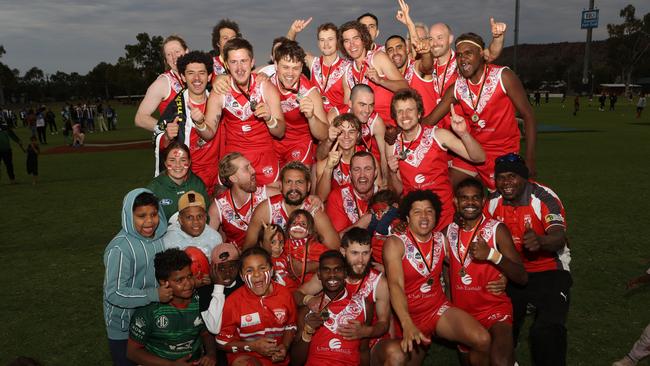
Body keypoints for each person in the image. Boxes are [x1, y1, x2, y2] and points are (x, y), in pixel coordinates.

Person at [377, 189, 490, 366]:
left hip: (436, 310)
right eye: (417, 212)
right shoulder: (396, 243)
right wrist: (407, 323)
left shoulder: (441, 240)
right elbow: (395, 285)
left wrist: (499, 275)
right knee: (397, 360)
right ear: (407, 218)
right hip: (405, 317)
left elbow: (467, 265)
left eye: (429, 211)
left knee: (482, 339)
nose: (424, 216)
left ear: (436, 216)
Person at [423, 32, 536, 189]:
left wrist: (530, 159)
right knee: (445, 187)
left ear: (482, 53)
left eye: (468, 53)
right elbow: (429, 121)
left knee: (504, 201)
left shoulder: (503, 76)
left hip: (503, 153)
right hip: (472, 151)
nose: (462, 59)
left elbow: (528, 115)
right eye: (459, 55)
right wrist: (398, 128)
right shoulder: (457, 87)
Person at [487, 153, 571, 366]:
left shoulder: (543, 197)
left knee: (546, 331)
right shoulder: (492, 201)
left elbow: (559, 238)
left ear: (525, 178)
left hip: (549, 268)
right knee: (501, 328)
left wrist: (541, 241)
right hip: (513, 271)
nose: (506, 183)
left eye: (512, 176)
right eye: (501, 177)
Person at [446, 178, 528, 366]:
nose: (470, 203)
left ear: (483, 201)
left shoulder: (496, 230)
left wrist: (492, 254)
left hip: (494, 309)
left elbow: (522, 277)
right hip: (463, 313)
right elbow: (435, 258)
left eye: (475, 198)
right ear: (455, 202)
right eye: (464, 198)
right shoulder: (448, 231)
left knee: (500, 361)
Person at [387, 88, 485, 230]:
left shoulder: (438, 135)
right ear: (395, 117)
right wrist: (391, 172)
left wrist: (463, 134)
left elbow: (479, 157)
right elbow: (399, 190)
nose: (405, 115)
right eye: (400, 111)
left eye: (410, 110)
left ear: (419, 113)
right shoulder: (392, 145)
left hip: (446, 218)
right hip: (416, 222)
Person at [296, 228, 391, 363]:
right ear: (343, 251)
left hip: (370, 338)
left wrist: (365, 332)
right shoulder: (333, 274)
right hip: (332, 337)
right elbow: (297, 294)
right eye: (354, 253)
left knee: (394, 353)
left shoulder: (379, 283)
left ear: (371, 252)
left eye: (365, 253)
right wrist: (308, 299)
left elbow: (384, 323)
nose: (360, 260)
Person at [204, 38, 286, 186]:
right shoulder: (220, 91)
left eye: (243, 61)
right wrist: (199, 123)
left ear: (252, 62)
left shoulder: (265, 87)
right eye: (234, 62)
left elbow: (280, 132)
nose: (239, 68)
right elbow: (208, 133)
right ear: (227, 65)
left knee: (272, 201)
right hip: (235, 160)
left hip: (264, 157)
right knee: (226, 202)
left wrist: (269, 119)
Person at [103, 189, 170, 366]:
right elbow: (115, 293)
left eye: (154, 214)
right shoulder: (120, 249)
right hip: (124, 327)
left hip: (152, 322)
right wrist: (153, 295)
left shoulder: (161, 239)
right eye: (141, 216)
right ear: (129, 216)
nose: (149, 221)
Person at [126, 248, 217, 366]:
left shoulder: (201, 299)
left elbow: (206, 332)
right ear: (164, 282)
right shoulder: (149, 310)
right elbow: (132, 352)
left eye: (189, 276)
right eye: (179, 280)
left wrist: (211, 354)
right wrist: (170, 364)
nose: (188, 284)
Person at [216, 247, 297, 365]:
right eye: (249, 270)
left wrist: (284, 346)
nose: (257, 274)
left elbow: (291, 326)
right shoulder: (233, 301)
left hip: (278, 360)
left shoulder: (285, 294)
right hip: (247, 356)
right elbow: (221, 343)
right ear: (242, 276)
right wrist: (252, 346)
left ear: (272, 270)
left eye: (262, 268)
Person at [291, 250, 373, 366]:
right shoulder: (308, 309)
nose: (332, 275)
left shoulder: (363, 306)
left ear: (345, 273)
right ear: (319, 274)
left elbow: (363, 350)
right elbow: (295, 362)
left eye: (337, 269)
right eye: (326, 270)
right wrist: (307, 331)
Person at [155, 50, 221, 193]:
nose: (197, 78)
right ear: (183, 77)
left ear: (209, 76)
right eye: (190, 73)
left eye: (202, 73)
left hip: (218, 177)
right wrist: (167, 136)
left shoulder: (219, 100)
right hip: (190, 179)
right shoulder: (174, 109)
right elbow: (157, 139)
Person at [244, 161, 340, 250]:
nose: (293, 187)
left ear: (308, 186)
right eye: (288, 182)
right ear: (280, 186)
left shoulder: (314, 211)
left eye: (299, 182)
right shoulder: (266, 209)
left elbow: (335, 249)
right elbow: (248, 249)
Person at [270, 39, 329, 167]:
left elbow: (324, 134)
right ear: (275, 65)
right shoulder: (266, 80)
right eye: (285, 67)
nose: (290, 73)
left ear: (302, 67)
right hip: (272, 140)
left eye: (295, 68)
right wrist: (221, 78)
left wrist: (311, 117)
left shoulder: (310, 93)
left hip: (298, 142)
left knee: (297, 181)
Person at [339, 20, 409, 128]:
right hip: (366, 133)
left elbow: (406, 88)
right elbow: (347, 109)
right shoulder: (347, 73)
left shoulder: (377, 58)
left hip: (393, 128)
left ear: (363, 39)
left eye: (356, 38)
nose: (352, 44)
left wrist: (381, 81)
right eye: (347, 41)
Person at [209, 152, 280, 249]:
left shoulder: (268, 195)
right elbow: (208, 244)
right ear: (233, 178)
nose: (253, 170)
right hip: (236, 261)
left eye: (251, 166)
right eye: (247, 168)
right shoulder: (218, 207)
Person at [325, 84, 388, 184]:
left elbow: (384, 155)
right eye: (362, 105)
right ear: (350, 103)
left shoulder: (376, 121)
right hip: (337, 162)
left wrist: (385, 181)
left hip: (363, 166)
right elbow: (323, 149)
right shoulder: (336, 115)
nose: (367, 111)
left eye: (371, 105)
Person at [315, 113, 378, 201]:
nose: (346, 136)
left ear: (358, 135)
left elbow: (378, 191)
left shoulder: (368, 159)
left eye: (351, 132)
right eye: (341, 132)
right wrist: (328, 168)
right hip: (335, 208)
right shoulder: (326, 160)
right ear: (335, 134)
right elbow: (321, 198)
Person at [135, 35, 189, 132]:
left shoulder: (197, 76)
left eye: (177, 51)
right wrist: (165, 129)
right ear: (166, 61)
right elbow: (140, 118)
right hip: (177, 145)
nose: (174, 57)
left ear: (186, 52)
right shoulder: (163, 82)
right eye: (169, 54)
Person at [147, 141, 210, 222]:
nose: (178, 165)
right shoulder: (154, 188)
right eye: (172, 160)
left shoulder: (197, 184)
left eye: (183, 160)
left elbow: (206, 216)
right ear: (165, 163)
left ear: (190, 162)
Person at [326, 151, 377, 234]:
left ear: (375, 173)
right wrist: (361, 224)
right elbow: (336, 241)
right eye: (357, 170)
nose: (362, 175)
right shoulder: (339, 196)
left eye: (367, 169)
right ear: (350, 174)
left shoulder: (384, 196)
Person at [163, 190, 222, 260]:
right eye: (189, 217)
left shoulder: (215, 237)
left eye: (199, 216)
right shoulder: (169, 241)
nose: (196, 221)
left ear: (205, 217)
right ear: (180, 220)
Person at [0, 117, 23, 184]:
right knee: (9, 165)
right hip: (6, 149)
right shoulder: (5, 127)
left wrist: (18, 141)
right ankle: (12, 180)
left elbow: (13, 135)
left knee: (9, 165)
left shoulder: (5, 127)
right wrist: (18, 141)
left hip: (6, 149)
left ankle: (12, 179)